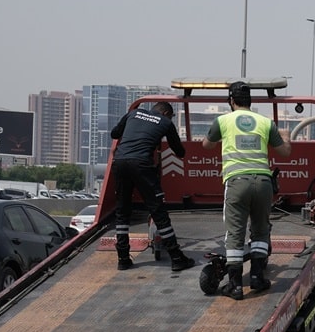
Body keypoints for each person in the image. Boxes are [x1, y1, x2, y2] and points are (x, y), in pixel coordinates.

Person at [199, 81, 291, 299]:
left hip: (237, 182)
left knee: (235, 234)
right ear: (251, 101)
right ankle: (258, 277)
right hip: (264, 183)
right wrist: (286, 137)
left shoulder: (222, 121)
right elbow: (284, 152)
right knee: (260, 231)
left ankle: (235, 285)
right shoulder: (265, 122)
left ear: (231, 101)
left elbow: (206, 145)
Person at [109, 101, 195, 272]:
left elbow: (114, 133)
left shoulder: (133, 113)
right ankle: (177, 258)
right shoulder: (165, 123)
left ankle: (123, 259)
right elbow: (179, 151)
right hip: (142, 164)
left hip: (119, 162)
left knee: (122, 210)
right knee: (158, 211)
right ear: (165, 114)